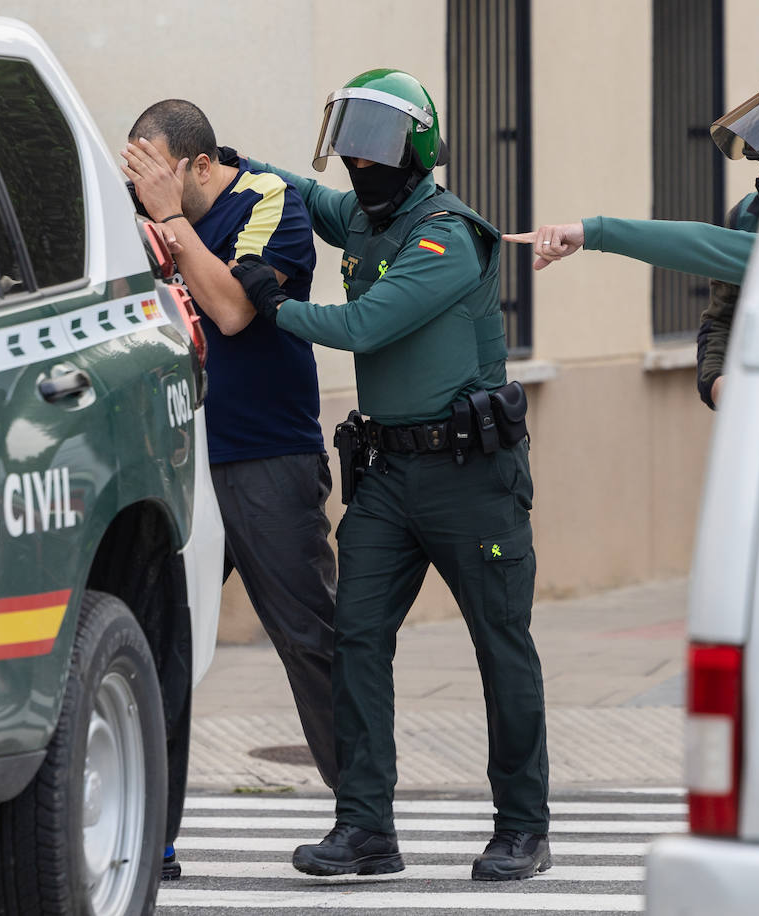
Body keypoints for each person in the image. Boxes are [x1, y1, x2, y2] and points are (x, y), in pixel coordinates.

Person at [223, 68, 551, 882]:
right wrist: (239, 166)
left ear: (418, 147)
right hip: (389, 476)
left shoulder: (445, 235)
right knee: (357, 639)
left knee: (499, 646)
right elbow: (302, 190)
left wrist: (272, 304)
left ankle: (523, 827)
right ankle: (366, 828)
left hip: (472, 478)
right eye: (352, 142)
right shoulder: (366, 217)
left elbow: (366, 325)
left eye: (377, 143)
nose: (359, 161)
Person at [119, 100, 339, 879]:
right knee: (150, 651)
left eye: (155, 169)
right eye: (133, 170)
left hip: (265, 457)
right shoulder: (147, 211)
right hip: (172, 462)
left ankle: (364, 816)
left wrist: (169, 221)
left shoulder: (268, 200)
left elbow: (232, 310)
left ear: (198, 164)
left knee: (309, 641)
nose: (140, 185)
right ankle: (151, 835)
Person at [504, 78, 759, 408]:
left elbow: (703, 245)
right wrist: (717, 383)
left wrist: (593, 231)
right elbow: (721, 318)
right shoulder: (747, 215)